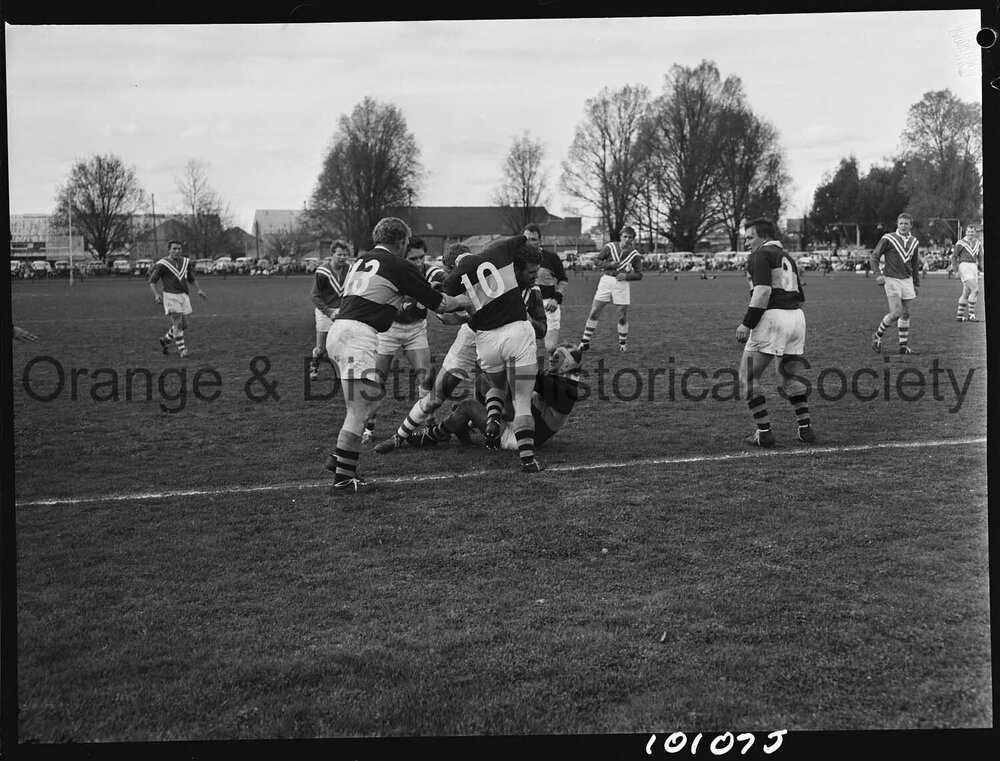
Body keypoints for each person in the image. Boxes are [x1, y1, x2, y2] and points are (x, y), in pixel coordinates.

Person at [322, 217, 470, 493]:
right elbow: (439, 303)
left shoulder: (362, 260)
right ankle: (343, 479)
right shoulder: (399, 265)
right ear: (402, 241)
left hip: (339, 332)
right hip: (358, 335)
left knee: (368, 400)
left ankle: (339, 459)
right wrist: (464, 301)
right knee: (358, 410)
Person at [374, 243, 547, 454]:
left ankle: (478, 425)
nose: (534, 277)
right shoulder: (469, 277)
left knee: (507, 397)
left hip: (509, 342)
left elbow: (541, 330)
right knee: (437, 396)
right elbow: (447, 317)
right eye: (531, 272)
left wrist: (525, 319)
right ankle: (400, 437)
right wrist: (462, 312)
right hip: (474, 336)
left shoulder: (529, 288)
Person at [440, 234, 545, 473]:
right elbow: (524, 238)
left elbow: (447, 309)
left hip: (486, 340)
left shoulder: (453, 280)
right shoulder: (498, 250)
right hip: (517, 330)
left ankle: (493, 418)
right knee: (521, 401)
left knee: (496, 387)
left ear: (450, 263)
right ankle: (527, 459)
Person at [735, 217, 816, 448]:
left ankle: (764, 432)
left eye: (750, 237)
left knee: (747, 377)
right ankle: (805, 429)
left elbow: (761, 293)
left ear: (763, 237)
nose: (747, 242)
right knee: (788, 378)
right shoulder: (787, 256)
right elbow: (800, 298)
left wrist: (747, 324)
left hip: (773, 317)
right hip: (796, 319)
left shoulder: (760, 255)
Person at [414, 343, 584, 452]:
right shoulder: (561, 381)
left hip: (518, 438)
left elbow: (530, 376)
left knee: (467, 406)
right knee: (484, 381)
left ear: (568, 363)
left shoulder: (566, 389)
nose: (552, 360)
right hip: (518, 421)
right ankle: (467, 424)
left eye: (557, 358)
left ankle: (433, 436)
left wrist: (509, 350)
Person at [361, 236, 444, 444]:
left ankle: (430, 423)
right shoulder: (396, 270)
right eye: (413, 259)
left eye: (421, 257)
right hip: (389, 330)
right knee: (377, 380)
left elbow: (448, 278)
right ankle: (369, 428)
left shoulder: (431, 271)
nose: (418, 262)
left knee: (425, 377)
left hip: (416, 329)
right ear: (404, 256)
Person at [578, 225, 643, 353]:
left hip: (622, 284)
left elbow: (639, 274)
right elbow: (597, 261)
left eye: (630, 237)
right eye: (625, 236)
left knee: (622, 316)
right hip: (606, 281)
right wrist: (609, 264)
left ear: (633, 239)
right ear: (620, 237)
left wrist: (627, 276)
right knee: (595, 311)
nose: (627, 239)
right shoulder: (610, 247)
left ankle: (622, 344)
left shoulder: (635, 255)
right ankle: (584, 342)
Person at [869, 213, 920, 355]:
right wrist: (878, 274)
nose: (903, 226)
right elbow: (874, 257)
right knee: (896, 312)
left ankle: (903, 346)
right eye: (901, 223)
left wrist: (916, 283)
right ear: (897, 224)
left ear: (911, 225)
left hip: (907, 280)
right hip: (891, 278)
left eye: (906, 223)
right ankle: (877, 336)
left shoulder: (914, 242)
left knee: (906, 313)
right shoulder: (888, 238)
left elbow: (915, 264)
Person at [148, 240, 207, 358]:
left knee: (184, 324)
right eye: (174, 248)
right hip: (170, 296)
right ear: (169, 250)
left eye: (179, 248)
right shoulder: (162, 264)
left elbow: (191, 278)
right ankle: (182, 350)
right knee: (178, 323)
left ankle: (165, 340)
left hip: (184, 296)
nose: (177, 251)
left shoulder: (186, 262)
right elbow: (152, 281)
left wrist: (199, 289)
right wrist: (156, 294)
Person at [522, 223, 568, 358]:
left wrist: (556, 299)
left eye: (533, 239)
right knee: (523, 347)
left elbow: (563, 280)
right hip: (524, 304)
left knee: (551, 347)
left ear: (540, 241)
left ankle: (555, 370)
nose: (529, 242)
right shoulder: (516, 258)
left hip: (548, 304)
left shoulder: (551, 257)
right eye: (526, 238)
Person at [309, 239, 352, 381]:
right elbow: (315, 296)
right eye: (339, 254)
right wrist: (329, 312)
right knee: (321, 348)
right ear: (332, 254)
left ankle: (341, 373)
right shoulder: (322, 272)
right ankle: (314, 363)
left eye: (345, 254)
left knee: (342, 345)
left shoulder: (350, 269)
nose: (342, 258)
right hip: (324, 312)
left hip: (342, 312)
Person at [950, 224, 983, 322]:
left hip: (973, 267)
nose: (970, 233)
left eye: (972, 232)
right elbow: (954, 257)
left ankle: (960, 316)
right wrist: (955, 270)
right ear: (966, 232)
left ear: (975, 233)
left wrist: (981, 268)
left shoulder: (978, 243)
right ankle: (971, 315)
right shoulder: (960, 243)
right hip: (964, 266)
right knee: (975, 290)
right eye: (968, 232)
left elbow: (980, 257)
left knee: (966, 292)